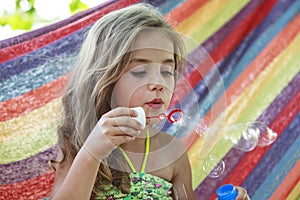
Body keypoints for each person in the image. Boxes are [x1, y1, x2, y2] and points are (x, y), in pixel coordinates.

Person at [49, 3, 249, 200]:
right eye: (140, 72)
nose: (158, 83)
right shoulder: (77, 144)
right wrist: (92, 153)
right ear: (104, 80)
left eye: (166, 72)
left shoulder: (173, 152)